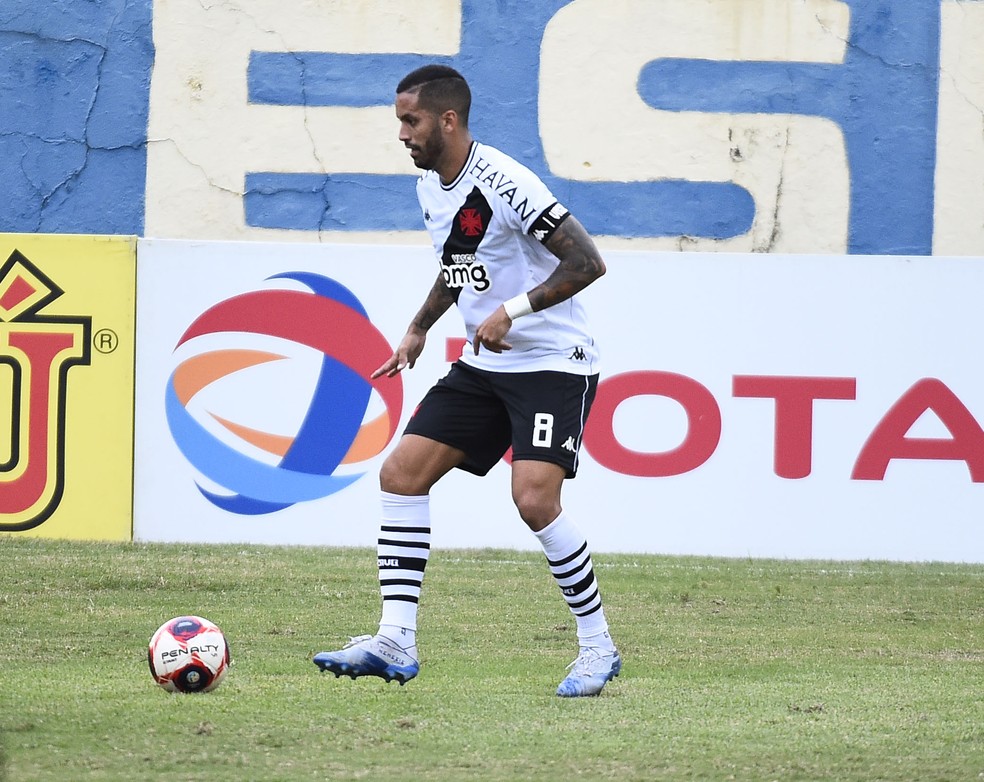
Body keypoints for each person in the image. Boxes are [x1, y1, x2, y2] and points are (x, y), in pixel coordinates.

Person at [313, 64, 620, 697]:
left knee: (534, 500)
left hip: (552, 362)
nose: (402, 134)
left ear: (448, 120)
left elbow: (588, 262)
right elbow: (460, 259)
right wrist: (419, 327)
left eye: (411, 121)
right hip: (486, 364)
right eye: (400, 121)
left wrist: (514, 310)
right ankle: (395, 640)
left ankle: (598, 647)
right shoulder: (431, 184)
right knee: (401, 474)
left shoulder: (505, 182)